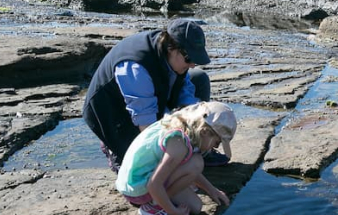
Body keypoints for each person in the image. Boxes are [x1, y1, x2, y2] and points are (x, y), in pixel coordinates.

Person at [83, 18, 230, 173]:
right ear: (171, 47)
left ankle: (199, 145)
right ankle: (111, 146)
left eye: (195, 59)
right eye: (189, 58)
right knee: (142, 168)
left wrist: (201, 123)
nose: (192, 64)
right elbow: (147, 125)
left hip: (149, 98)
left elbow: (185, 90)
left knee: (198, 78)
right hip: (113, 113)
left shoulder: (172, 54)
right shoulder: (136, 67)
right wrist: (169, 156)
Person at [115, 101, 236, 215]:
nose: (214, 148)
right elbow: (154, 184)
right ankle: (155, 207)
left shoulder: (181, 127)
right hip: (138, 188)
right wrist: (172, 211)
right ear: (204, 131)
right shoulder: (178, 143)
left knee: (196, 206)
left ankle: (159, 200)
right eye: (216, 143)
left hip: (136, 182)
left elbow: (190, 171)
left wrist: (211, 190)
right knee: (197, 162)